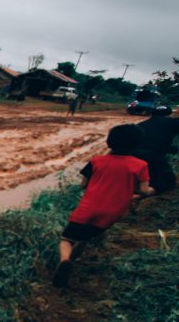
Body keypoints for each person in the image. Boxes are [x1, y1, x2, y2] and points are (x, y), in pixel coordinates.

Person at [53, 124, 154, 288]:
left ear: (108, 143)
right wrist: (152, 191)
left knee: (66, 238)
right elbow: (143, 190)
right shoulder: (140, 165)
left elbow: (83, 185)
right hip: (114, 212)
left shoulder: (97, 161)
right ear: (137, 144)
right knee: (86, 237)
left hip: (89, 207)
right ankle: (73, 260)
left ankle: (65, 260)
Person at [134, 105, 179, 194]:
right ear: (169, 115)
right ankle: (148, 193)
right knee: (169, 184)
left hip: (134, 157)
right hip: (155, 157)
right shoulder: (172, 122)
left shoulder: (141, 125)